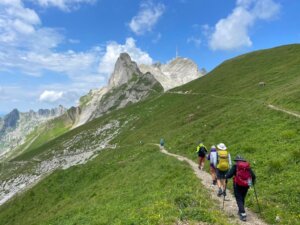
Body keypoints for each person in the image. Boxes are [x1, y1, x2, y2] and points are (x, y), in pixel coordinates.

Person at [225, 155, 256, 222]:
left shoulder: (235, 166)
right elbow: (253, 175)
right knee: (242, 197)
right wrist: (252, 183)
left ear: (236, 161)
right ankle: (240, 210)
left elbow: (229, 175)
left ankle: (243, 213)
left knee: (239, 198)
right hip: (246, 185)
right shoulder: (248, 167)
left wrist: (226, 176)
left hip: (237, 185)